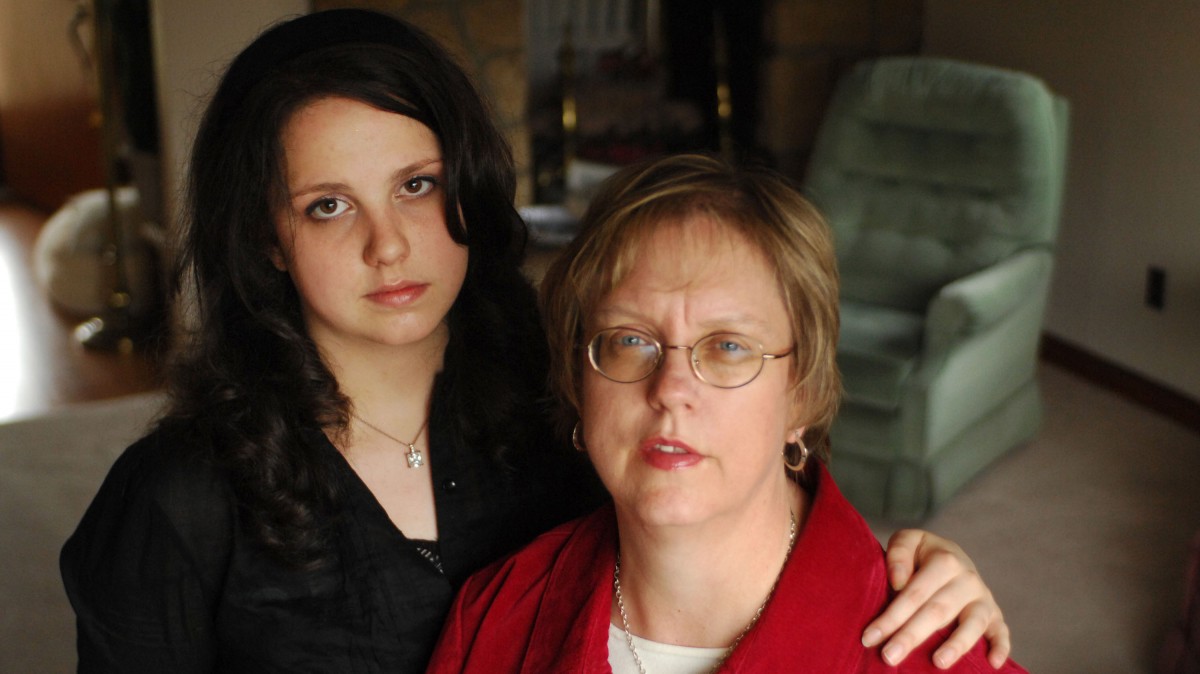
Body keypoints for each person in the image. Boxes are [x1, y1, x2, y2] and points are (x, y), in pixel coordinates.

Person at [61, 10, 1008, 673]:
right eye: (328, 204)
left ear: (466, 185)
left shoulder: (573, 408)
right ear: (269, 236)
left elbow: (736, 487)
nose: (387, 244)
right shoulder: (176, 501)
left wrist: (914, 573)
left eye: (417, 185)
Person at [427, 154, 1026, 673]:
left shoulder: (943, 657)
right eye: (630, 340)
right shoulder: (494, 615)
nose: (671, 389)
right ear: (579, 384)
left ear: (804, 395)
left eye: (729, 346)